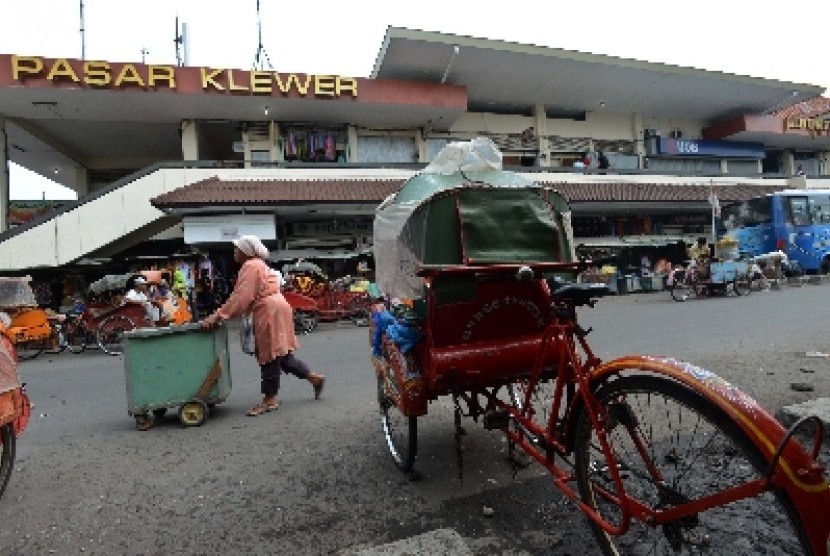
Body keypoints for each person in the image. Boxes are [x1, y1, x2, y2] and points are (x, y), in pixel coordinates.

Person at [200, 235, 325, 416]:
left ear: (246, 252)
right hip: (277, 306)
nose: (234, 252)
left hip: (268, 310)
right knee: (281, 354)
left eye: (237, 249)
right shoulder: (259, 265)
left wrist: (218, 316)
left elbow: (241, 298)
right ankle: (314, 378)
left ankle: (270, 399)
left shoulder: (250, 266)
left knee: (269, 355)